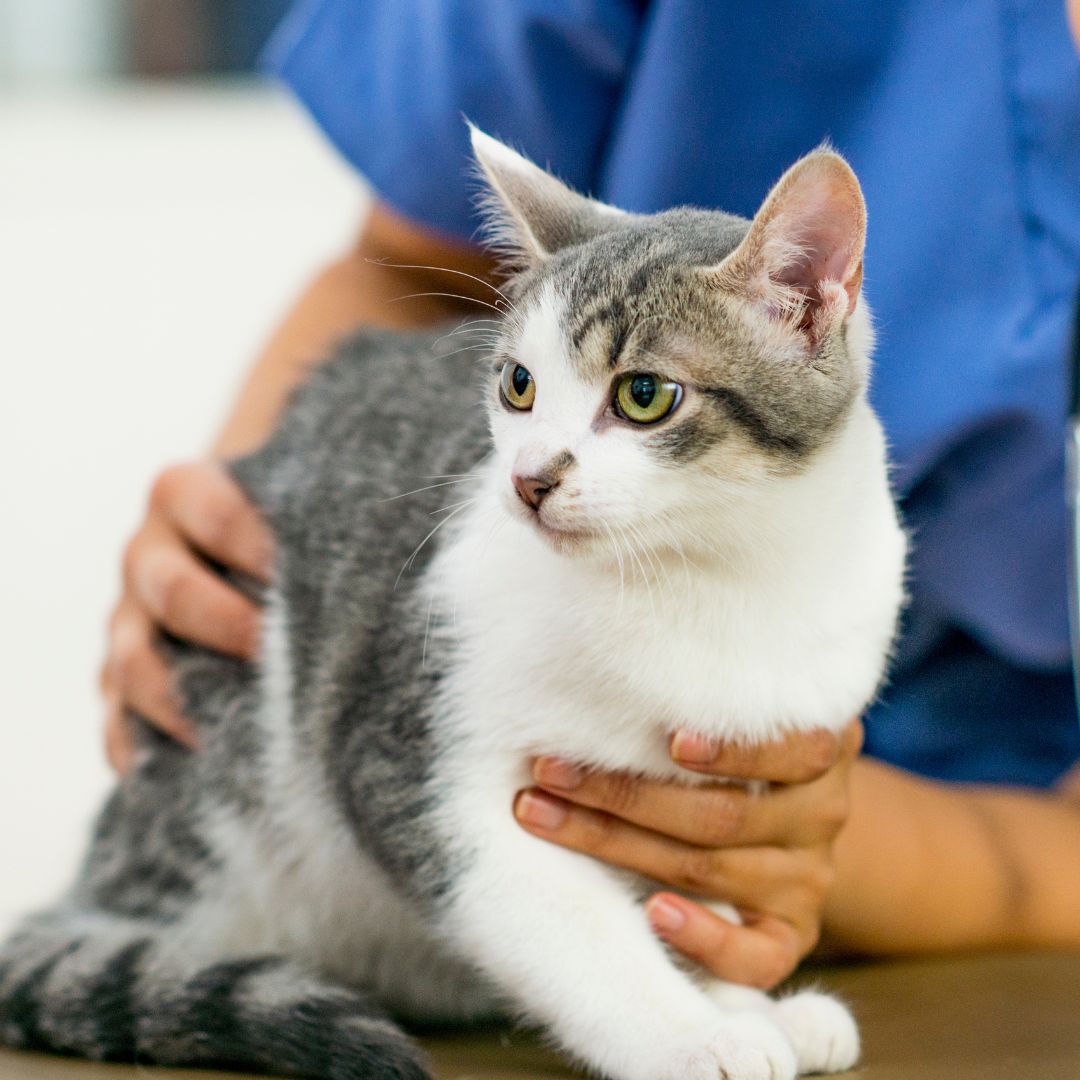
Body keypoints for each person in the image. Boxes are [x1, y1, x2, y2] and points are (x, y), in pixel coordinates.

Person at [100, 1, 1080, 992]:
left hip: (965, 918)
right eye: (517, 394)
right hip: (475, 836)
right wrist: (233, 557)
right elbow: (412, 274)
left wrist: (801, 837)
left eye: (646, 397)